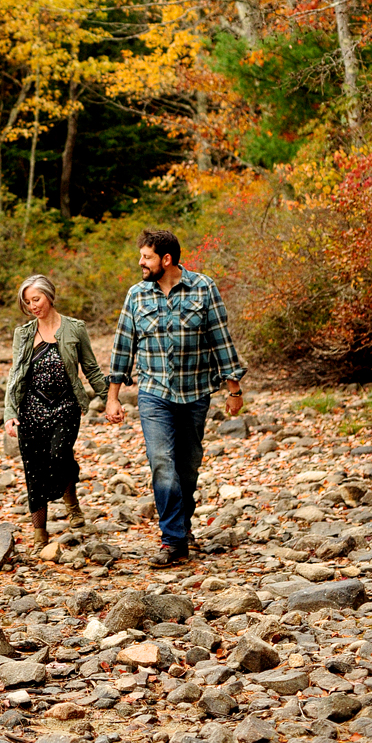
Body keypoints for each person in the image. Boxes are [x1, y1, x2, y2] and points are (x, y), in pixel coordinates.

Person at [106, 228, 245, 566]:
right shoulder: (136, 295)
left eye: (146, 257)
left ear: (166, 260)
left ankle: (181, 529)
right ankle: (172, 541)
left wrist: (234, 389)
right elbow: (123, 347)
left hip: (196, 393)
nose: (140, 262)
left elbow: (220, 339)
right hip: (154, 394)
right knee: (162, 464)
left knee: (187, 468)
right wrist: (113, 397)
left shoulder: (204, 288)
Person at [4, 274, 109, 553]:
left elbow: (92, 369)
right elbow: (15, 376)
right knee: (33, 471)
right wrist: (10, 413)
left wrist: (110, 399)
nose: (32, 306)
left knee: (59, 455)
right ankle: (40, 535)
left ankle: (71, 503)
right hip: (31, 409)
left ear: (49, 295)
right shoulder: (23, 334)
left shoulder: (75, 328)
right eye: (27, 302)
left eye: (36, 299)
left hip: (66, 406)